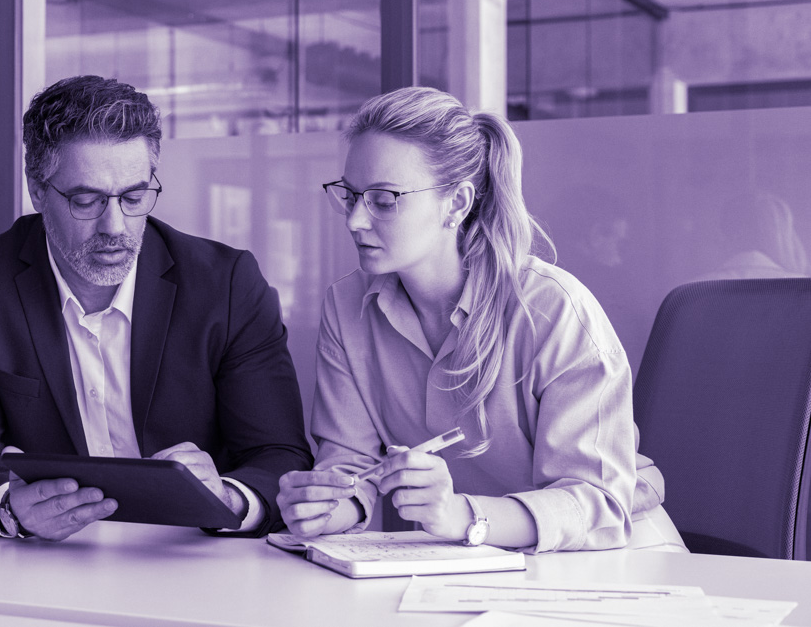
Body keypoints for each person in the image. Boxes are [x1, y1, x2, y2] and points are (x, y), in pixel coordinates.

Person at [277, 87, 685, 552]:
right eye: (350, 196)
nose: (354, 220)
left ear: (456, 203)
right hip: (469, 568)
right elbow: (350, 465)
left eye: (384, 199)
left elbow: (597, 505)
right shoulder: (346, 305)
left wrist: (460, 514)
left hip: (612, 562)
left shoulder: (552, 310)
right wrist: (328, 506)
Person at [0, 75, 311, 540]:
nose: (115, 226)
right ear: (37, 190)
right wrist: (10, 509)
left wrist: (227, 497)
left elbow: (280, 453)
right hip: (50, 560)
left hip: (195, 555)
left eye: (133, 197)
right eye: (86, 200)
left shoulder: (226, 284)